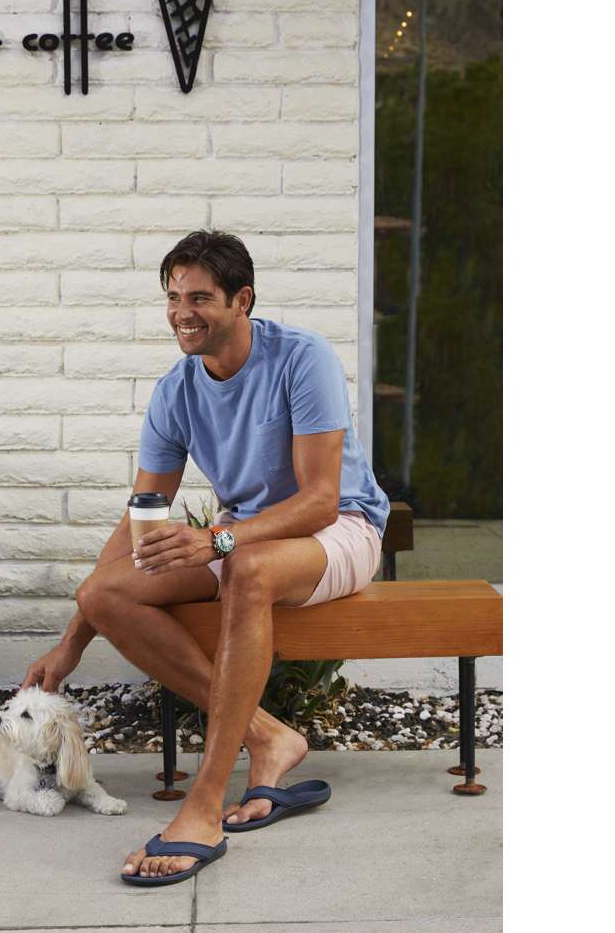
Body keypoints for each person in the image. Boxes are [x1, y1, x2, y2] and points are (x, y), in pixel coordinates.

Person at [22, 230, 390, 885]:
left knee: (247, 567)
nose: (181, 313)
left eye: (199, 298)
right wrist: (73, 639)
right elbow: (141, 516)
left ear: (241, 300)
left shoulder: (302, 359)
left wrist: (217, 541)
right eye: (173, 297)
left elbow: (320, 502)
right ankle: (270, 736)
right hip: (245, 541)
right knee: (104, 592)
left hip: (341, 531)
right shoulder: (177, 390)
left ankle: (204, 805)